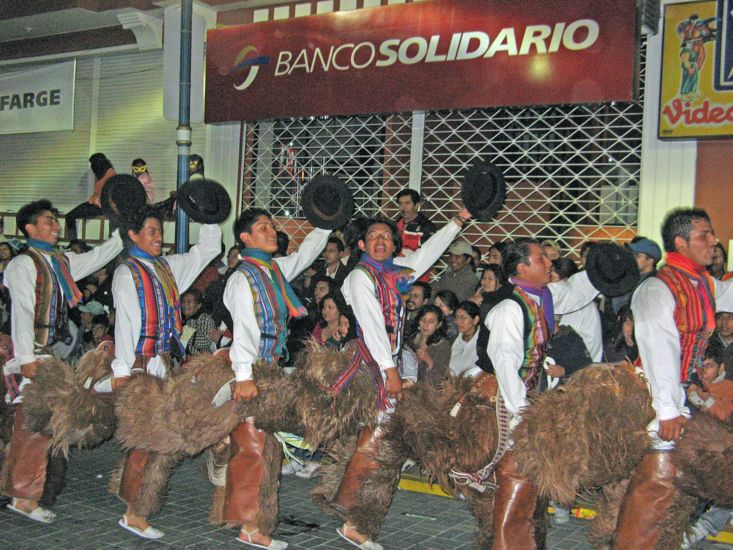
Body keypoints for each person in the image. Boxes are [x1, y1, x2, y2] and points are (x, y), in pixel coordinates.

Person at [335, 207, 472, 548]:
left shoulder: (394, 273)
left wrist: (457, 221)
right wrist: (390, 371)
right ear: (362, 245)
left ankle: (351, 510)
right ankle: (354, 518)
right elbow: (372, 325)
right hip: (372, 364)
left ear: (395, 245)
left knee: (377, 439)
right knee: (377, 440)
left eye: (386, 236)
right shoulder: (361, 277)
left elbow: (425, 255)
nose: (380, 241)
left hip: (387, 362)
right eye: (373, 236)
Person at [614, 208, 733, 549]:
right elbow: (658, 349)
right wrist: (666, 409)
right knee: (655, 483)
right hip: (653, 396)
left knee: (669, 491)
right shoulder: (657, 288)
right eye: (704, 235)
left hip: (680, 393)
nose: (714, 241)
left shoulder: (701, 282)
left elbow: (728, 293)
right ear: (680, 243)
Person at [1, 199, 122, 524]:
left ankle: (24, 493)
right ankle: (23, 496)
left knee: (38, 424)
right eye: (48, 221)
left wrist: (123, 228)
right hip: (25, 351)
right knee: (32, 423)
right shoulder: (23, 264)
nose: (55, 226)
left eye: (55, 220)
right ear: (29, 228)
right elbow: (22, 311)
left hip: (42, 351)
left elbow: (98, 256)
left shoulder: (58, 262)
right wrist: (26, 358)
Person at [110, 206, 221, 539]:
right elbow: (125, 323)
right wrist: (123, 369)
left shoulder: (166, 268)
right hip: (140, 365)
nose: (159, 237)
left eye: (160, 231)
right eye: (151, 231)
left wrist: (210, 213)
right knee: (149, 439)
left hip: (162, 363)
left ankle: (134, 503)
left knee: (154, 439)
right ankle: (134, 511)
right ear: (133, 235)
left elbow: (208, 250)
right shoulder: (127, 273)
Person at [223, 207, 330, 549]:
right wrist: (244, 376)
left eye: (272, 226)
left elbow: (304, 255)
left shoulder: (273, 271)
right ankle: (249, 526)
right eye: (263, 227)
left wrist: (326, 223)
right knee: (253, 449)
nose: (272, 231)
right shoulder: (242, 278)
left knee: (266, 449)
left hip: (270, 371)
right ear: (245, 238)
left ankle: (254, 521)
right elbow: (244, 329)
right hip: (252, 371)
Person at [484, 238, 601, 549]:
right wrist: (521, 416)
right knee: (516, 475)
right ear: (522, 268)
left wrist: (606, 269)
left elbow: (574, 291)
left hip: (528, 398)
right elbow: (505, 364)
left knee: (527, 482)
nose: (550, 262)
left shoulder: (542, 296)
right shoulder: (511, 308)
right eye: (541, 259)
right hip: (505, 401)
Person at [682, 342, 733, 548]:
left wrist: (706, 399)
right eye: (701, 367)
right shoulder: (689, 389)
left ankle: (699, 529)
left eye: (709, 366)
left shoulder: (728, 389)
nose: (704, 372)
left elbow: (726, 418)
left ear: (721, 368)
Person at [552, 257, 604, 362]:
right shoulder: (560, 303)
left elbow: (589, 344)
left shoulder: (584, 307)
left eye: (551, 277)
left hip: (581, 364)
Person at [65, 153, 116, 241]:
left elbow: (109, 196)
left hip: (104, 207)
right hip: (97, 205)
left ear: (98, 163)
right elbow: (97, 193)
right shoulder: (101, 173)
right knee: (70, 216)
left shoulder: (111, 174)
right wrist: (93, 198)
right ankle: (73, 242)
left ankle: (74, 243)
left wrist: (95, 199)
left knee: (70, 216)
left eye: (93, 164)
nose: (92, 167)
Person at [406, 304, 451, 386]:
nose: (425, 325)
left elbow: (439, 379)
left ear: (438, 325)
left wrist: (428, 360)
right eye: (423, 320)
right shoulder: (411, 340)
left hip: (428, 390)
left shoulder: (443, 345)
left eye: (431, 322)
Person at [448, 301, 482, 377]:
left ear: (475, 320)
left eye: (462, 317)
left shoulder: (483, 342)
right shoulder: (453, 340)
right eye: (456, 317)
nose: (457, 321)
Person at [181, 288, 216, 355]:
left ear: (198, 305)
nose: (185, 304)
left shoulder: (205, 318)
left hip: (200, 359)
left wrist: (183, 334)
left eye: (189, 302)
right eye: (183, 301)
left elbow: (205, 340)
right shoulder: (181, 320)